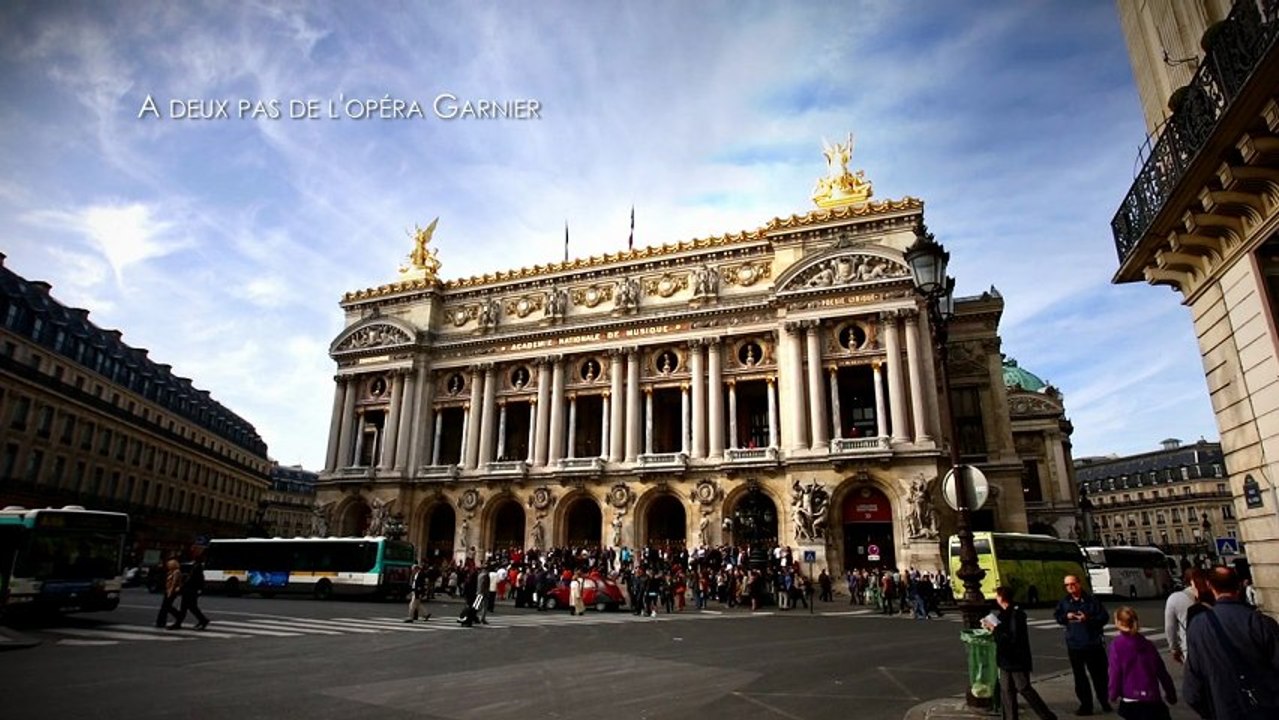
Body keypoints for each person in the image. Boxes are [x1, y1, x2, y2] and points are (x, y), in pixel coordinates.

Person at [1183, 566, 1279, 719]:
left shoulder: (1198, 626)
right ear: (1239, 585)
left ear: (1210, 586)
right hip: (1267, 710)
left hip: (1225, 710)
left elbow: (1192, 692)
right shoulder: (1260, 622)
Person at [985, 586, 1057, 720]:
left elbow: (1011, 637)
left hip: (1016, 658)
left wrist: (994, 629)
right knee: (1006, 691)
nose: (996, 598)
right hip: (1005, 658)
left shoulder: (1015, 615)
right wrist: (993, 629)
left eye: (997, 595)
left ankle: (1046, 715)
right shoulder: (1004, 614)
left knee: (1023, 687)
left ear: (1002, 597)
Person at [1054, 575, 1112, 715]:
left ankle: (1104, 700)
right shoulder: (1064, 602)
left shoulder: (1091, 600)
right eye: (1067, 585)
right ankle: (1086, 705)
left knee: (1100, 676)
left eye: (1073, 584)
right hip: (1075, 645)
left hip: (1093, 644)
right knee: (1080, 678)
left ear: (1079, 584)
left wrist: (1088, 619)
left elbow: (1104, 617)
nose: (1070, 587)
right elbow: (1058, 616)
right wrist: (1065, 617)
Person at [1107, 606, 1176, 720]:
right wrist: (1170, 693)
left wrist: (1112, 694)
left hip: (1131, 698)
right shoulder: (1147, 644)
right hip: (1152, 698)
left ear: (1119, 622)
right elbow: (1161, 672)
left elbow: (1115, 673)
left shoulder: (1117, 645)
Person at [1163, 568, 1198, 665]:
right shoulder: (1213, 593)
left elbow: (1170, 628)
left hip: (1190, 648)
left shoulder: (1175, 598)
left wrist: (1174, 649)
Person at [168, 552, 209, 631]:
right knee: (188, 607)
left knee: (189, 607)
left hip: (190, 590)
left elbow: (192, 580)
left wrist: (182, 587)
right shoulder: (197, 567)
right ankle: (179, 623)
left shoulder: (197, 567)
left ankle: (203, 620)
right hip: (191, 590)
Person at [154, 557, 183, 629]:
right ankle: (161, 622)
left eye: (169, 564)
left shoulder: (177, 572)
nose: (168, 566)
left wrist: (170, 591)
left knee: (166, 607)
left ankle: (178, 616)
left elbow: (174, 582)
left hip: (171, 591)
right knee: (166, 607)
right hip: (168, 590)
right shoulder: (171, 571)